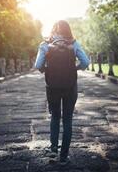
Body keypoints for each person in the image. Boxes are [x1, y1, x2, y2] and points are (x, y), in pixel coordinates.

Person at [34, 20, 90, 165]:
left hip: (52, 87)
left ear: (53, 30)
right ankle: (64, 156)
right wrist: (75, 68)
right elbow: (85, 62)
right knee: (68, 119)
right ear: (68, 30)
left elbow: (38, 65)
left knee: (55, 117)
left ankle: (53, 150)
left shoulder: (45, 45)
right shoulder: (74, 44)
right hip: (70, 86)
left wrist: (47, 70)